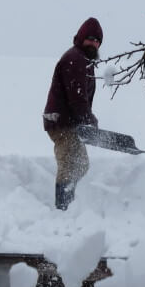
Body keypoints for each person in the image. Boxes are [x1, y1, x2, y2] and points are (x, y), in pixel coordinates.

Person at [43, 17, 102, 210]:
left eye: (97, 40)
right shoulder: (75, 58)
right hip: (61, 122)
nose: (93, 43)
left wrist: (87, 120)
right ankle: (63, 209)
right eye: (90, 38)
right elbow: (77, 98)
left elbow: (80, 99)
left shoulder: (83, 60)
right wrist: (89, 120)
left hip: (70, 122)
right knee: (70, 164)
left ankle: (70, 206)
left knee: (81, 164)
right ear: (82, 37)